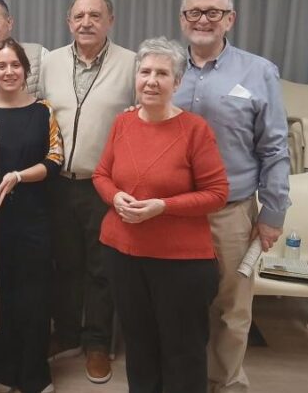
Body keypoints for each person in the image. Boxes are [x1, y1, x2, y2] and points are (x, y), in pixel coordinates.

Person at [173, 0, 290, 392]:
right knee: (180, 306)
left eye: (213, 12)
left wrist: (273, 214)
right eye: (194, 12)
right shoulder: (165, 68)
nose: (202, 20)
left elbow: (275, 148)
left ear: (230, 19)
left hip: (231, 213)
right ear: (183, 19)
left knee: (231, 308)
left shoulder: (259, 72)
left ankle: (224, 382)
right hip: (172, 215)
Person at [93, 36, 229, 392]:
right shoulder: (123, 123)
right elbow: (101, 175)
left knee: (183, 351)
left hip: (180, 262)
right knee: (139, 346)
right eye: (145, 72)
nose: (151, 81)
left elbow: (217, 194)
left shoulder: (195, 130)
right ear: (136, 77)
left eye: (162, 74)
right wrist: (115, 197)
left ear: (177, 82)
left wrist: (163, 206)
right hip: (122, 255)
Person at [38, 0, 135, 383]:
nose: (86, 22)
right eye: (79, 16)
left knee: (101, 268)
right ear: (69, 22)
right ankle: (66, 334)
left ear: (111, 20)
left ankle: (97, 343)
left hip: (103, 185)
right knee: (64, 265)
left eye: (95, 15)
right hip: (58, 184)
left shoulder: (132, 64)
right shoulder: (50, 62)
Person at [0, 38, 63, 393]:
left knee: (34, 297)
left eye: (15, 65)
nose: (9, 71)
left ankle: (35, 373)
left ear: (26, 70)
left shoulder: (42, 111)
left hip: (34, 218)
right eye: (1, 66)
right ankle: (0, 371)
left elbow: (55, 159)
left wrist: (19, 176)